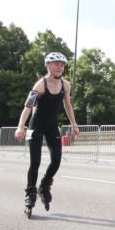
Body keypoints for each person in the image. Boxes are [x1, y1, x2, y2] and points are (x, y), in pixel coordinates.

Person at [14, 52, 80, 217]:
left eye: (62, 65)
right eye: (56, 64)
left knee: (56, 160)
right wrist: (20, 126)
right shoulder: (40, 85)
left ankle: (44, 186)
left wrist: (74, 124)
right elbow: (28, 107)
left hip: (52, 126)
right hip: (36, 126)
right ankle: (30, 194)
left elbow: (68, 106)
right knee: (35, 162)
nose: (60, 67)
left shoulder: (66, 85)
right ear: (48, 66)